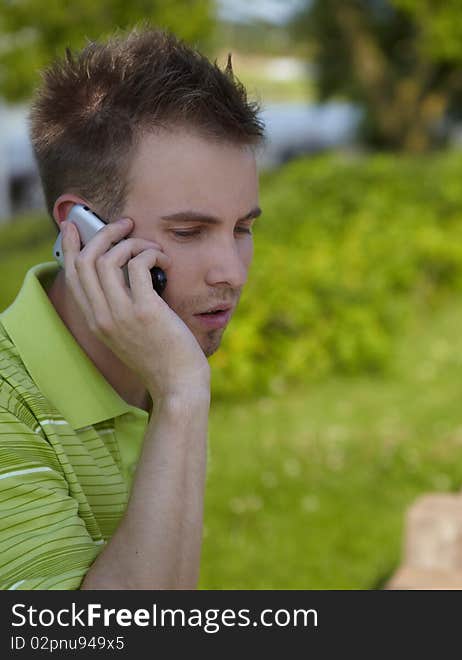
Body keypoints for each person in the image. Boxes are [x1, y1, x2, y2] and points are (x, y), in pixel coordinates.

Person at [0, 27, 264, 589]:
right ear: (81, 230)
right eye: (190, 231)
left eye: (242, 228)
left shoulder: (148, 360)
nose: (232, 273)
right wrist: (183, 394)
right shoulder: (7, 412)